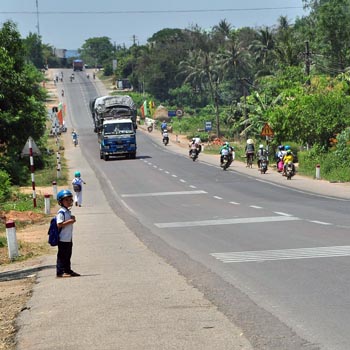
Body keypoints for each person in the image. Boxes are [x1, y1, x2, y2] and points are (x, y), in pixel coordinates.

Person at [56, 189, 80, 278]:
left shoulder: (67, 211)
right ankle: (60, 272)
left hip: (68, 238)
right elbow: (59, 224)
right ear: (60, 201)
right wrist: (70, 221)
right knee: (62, 256)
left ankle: (68, 270)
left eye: (70, 199)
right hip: (62, 238)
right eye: (66, 200)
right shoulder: (61, 212)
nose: (69, 201)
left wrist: (71, 218)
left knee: (68, 255)